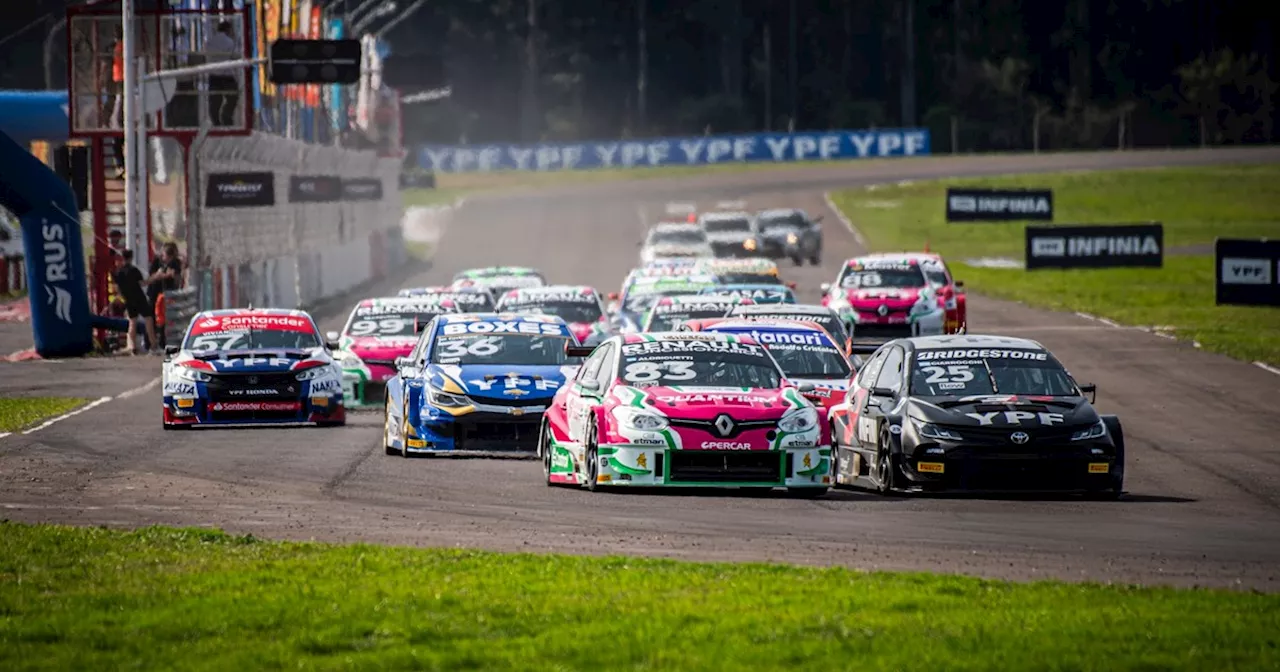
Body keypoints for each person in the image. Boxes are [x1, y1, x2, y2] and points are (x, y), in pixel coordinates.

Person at [111, 249, 158, 355]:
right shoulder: (134, 270)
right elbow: (142, 283)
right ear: (131, 258)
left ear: (122, 258)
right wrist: (154, 278)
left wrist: (123, 297)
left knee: (132, 322)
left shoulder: (119, 272)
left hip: (128, 299)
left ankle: (131, 346)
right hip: (139, 297)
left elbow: (117, 288)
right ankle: (153, 344)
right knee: (148, 319)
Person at [146, 242, 184, 347]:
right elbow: (152, 277)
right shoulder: (157, 261)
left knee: (167, 319)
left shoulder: (175, 263)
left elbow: (177, 278)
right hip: (155, 293)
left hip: (168, 294)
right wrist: (162, 275)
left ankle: (165, 342)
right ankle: (150, 343)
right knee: (154, 318)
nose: (164, 258)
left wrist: (170, 275)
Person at [205, 21, 240, 127]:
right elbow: (235, 57)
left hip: (214, 75)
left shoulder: (209, 41)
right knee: (232, 97)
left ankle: (216, 122)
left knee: (215, 101)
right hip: (227, 76)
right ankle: (226, 116)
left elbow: (207, 57)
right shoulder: (230, 42)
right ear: (228, 29)